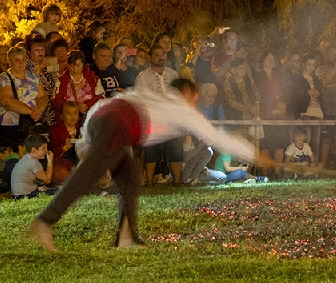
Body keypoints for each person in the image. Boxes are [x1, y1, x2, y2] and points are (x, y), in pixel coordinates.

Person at [28, 84, 270, 252]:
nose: (196, 102)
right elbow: (216, 137)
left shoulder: (150, 97)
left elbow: (105, 104)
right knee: (89, 173)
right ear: (186, 93)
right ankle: (45, 220)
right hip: (117, 124)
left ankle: (127, 237)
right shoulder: (181, 107)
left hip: (107, 122)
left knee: (131, 178)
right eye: (195, 96)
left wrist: (87, 138)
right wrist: (254, 154)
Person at [135, 45, 183, 185]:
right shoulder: (143, 77)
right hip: (154, 119)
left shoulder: (173, 74)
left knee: (176, 150)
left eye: (162, 54)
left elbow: (179, 97)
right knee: (151, 152)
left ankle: (177, 181)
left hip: (172, 119)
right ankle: (149, 181)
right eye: (156, 54)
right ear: (149, 58)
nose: (160, 56)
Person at [0, 47, 48, 148]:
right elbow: (6, 100)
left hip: (31, 124)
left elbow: (43, 96)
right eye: (17, 60)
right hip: (11, 127)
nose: (21, 63)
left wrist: (40, 109)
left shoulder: (33, 76)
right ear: (10, 61)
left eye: (24, 59)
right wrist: (31, 111)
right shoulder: (4, 78)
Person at [52, 50, 104, 121]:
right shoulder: (61, 81)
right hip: (69, 122)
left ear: (83, 64)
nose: (76, 69)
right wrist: (75, 107)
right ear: (68, 64)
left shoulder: (93, 79)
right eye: (72, 66)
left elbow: (101, 97)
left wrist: (87, 105)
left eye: (78, 65)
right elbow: (56, 101)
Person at [11, 134, 55, 199]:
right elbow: (47, 180)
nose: (46, 151)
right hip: (25, 196)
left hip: (18, 194)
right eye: (43, 148)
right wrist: (50, 162)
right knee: (57, 192)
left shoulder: (25, 159)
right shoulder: (33, 162)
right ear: (34, 150)